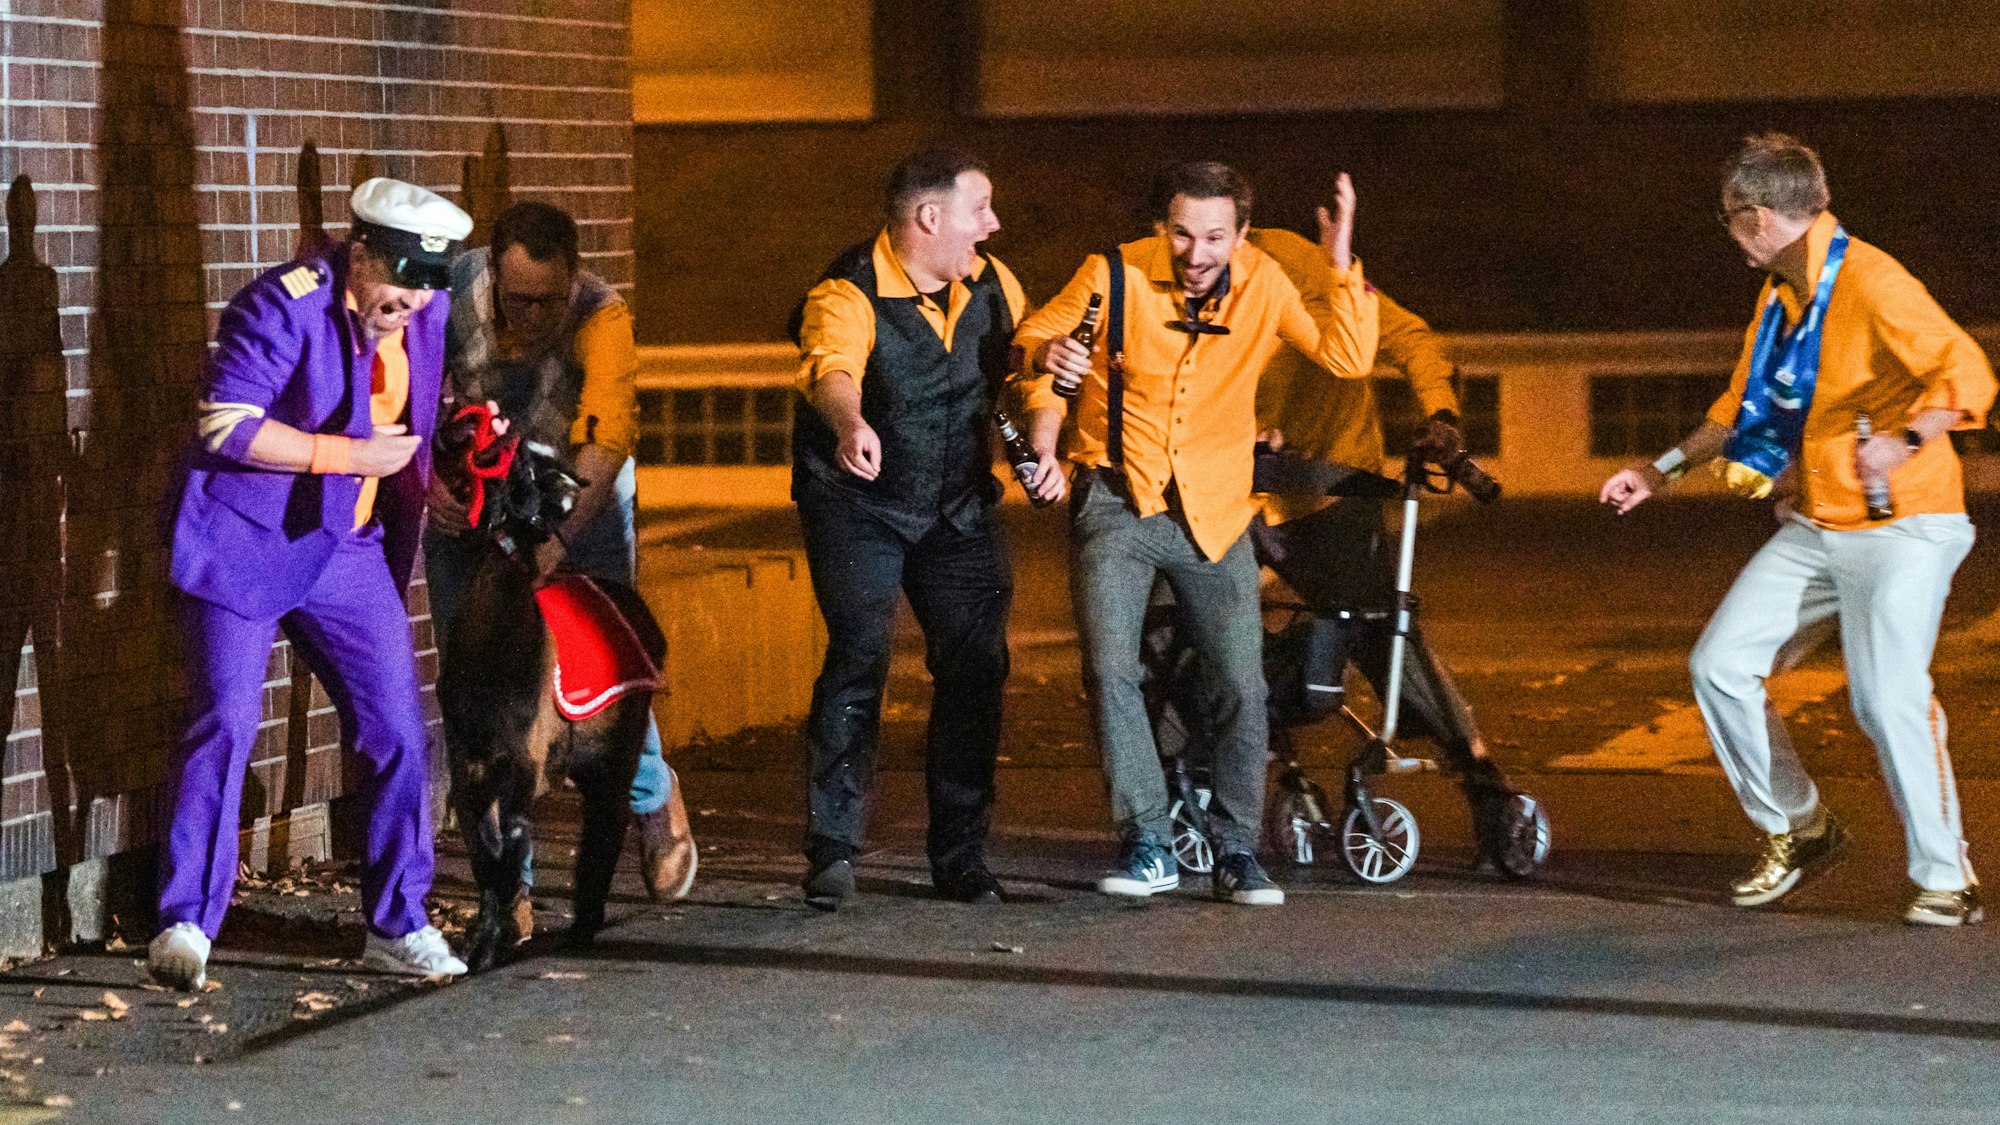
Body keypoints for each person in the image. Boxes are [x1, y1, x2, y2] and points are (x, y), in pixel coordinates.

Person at [1600, 133, 1995, 926]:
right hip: (1820, 523)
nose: (1729, 234)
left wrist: (1906, 438)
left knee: (1887, 699)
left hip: (1905, 526)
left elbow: (1969, 372)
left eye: (1728, 218)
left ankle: (1947, 878)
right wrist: (1658, 469)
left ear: (1755, 217)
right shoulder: (1782, 296)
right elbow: (1736, 408)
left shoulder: (1874, 282)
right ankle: (1802, 827)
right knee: (1721, 664)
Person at [1015, 162, 1379, 906]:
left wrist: (1341, 265)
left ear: (1241, 235)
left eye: (1215, 236)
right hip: (1117, 499)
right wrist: (1046, 367)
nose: (1196, 251)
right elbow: (1035, 342)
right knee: (1111, 672)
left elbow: (1347, 356)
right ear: (1161, 227)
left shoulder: (1264, 283)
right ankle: (1148, 840)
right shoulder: (1111, 274)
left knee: (1241, 683)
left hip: (1216, 510)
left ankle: (1237, 850)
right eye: (1182, 233)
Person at [151, 178, 473, 989]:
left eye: (424, 286)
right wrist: (349, 457)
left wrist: (434, 470)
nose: (408, 303)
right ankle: (186, 921)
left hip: (345, 544)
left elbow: (412, 412)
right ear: (358, 254)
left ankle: (397, 922)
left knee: (399, 730)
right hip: (249, 536)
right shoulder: (283, 304)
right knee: (225, 722)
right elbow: (225, 423)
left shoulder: (425, 310)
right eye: (397, 281)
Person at [424, 201, 697, 907]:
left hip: (577, 494)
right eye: (518, 299)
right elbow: (404, 396)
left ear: (573, 278)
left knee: (601, 666)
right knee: (474, 682)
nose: (535, 315)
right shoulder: (448, 297)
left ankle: (650, 793)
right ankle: (505, 887)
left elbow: (605, 442)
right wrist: (427, 481)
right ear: (491, 273)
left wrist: (561, 540)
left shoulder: (603, 319)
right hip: (477, 493)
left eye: (550, 300)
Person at [790, 148, 1033, 910]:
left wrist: (1044, 439)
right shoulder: (847, 291)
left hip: (957, 504)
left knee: (976, 665)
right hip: (859, 502)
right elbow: (831, 369)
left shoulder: (994, 284)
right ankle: (833, 848)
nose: (992, 224)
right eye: (979, 209)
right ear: (930, 217)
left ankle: (961, 856)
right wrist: (850, 422)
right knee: (861, 653)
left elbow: (1024, 375)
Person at [1244, 227, 1520, 864]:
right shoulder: (1175, 282)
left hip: (1328, 493)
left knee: (1380, 635)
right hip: (1231, 498)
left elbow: (1409, 338)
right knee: (1187, 628)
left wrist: (1442, 414)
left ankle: (1482, 779)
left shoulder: (1309, 273)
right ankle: (1223, 777)